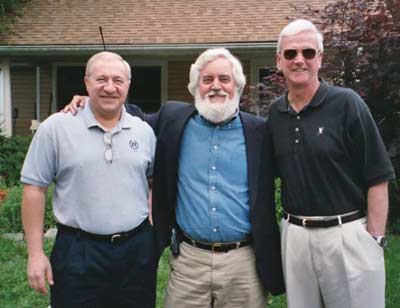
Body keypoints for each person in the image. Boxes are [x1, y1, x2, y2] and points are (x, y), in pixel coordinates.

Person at [65, 48, 285, 307]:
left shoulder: (259, 131)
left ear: (237, 85)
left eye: (224, 79)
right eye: (207, 80)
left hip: (244, 262)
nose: (216, 87)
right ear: (195, 87)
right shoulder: (173, 119)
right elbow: (128, 114)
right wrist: (91, 99)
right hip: (189, 261)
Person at [266, 19, 395, 308]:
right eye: (290, 53)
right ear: (279, 61)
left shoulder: (347, 104)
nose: (299, 60)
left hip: (347, 234)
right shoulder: (275, 114)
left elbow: (378, 176)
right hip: (295, 236)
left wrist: (374, 240)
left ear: (320, 59)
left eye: (308, 53)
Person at [21, 51, 157, 308]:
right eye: (101, 79)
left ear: (128, 85)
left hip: (136, 252)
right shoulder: (56, 128)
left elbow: (152, 181)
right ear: (86, 83)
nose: (109, 87)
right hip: (77, 252)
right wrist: (35, 254)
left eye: (118, 80)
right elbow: (34, 189)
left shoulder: (144, 131)